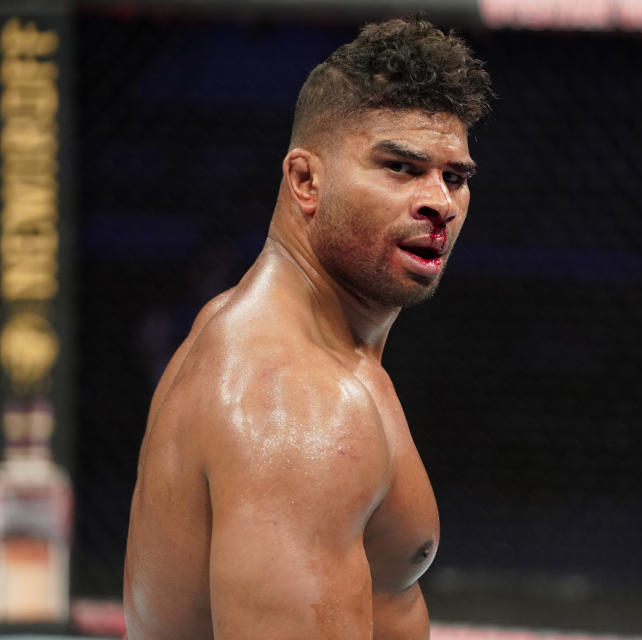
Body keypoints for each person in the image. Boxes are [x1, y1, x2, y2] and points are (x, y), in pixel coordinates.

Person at [122, 16, 492, 639]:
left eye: (454, 176)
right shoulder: (297, 405)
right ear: (305, 181)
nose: (441, 202)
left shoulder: (245, 327)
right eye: (400, 167)